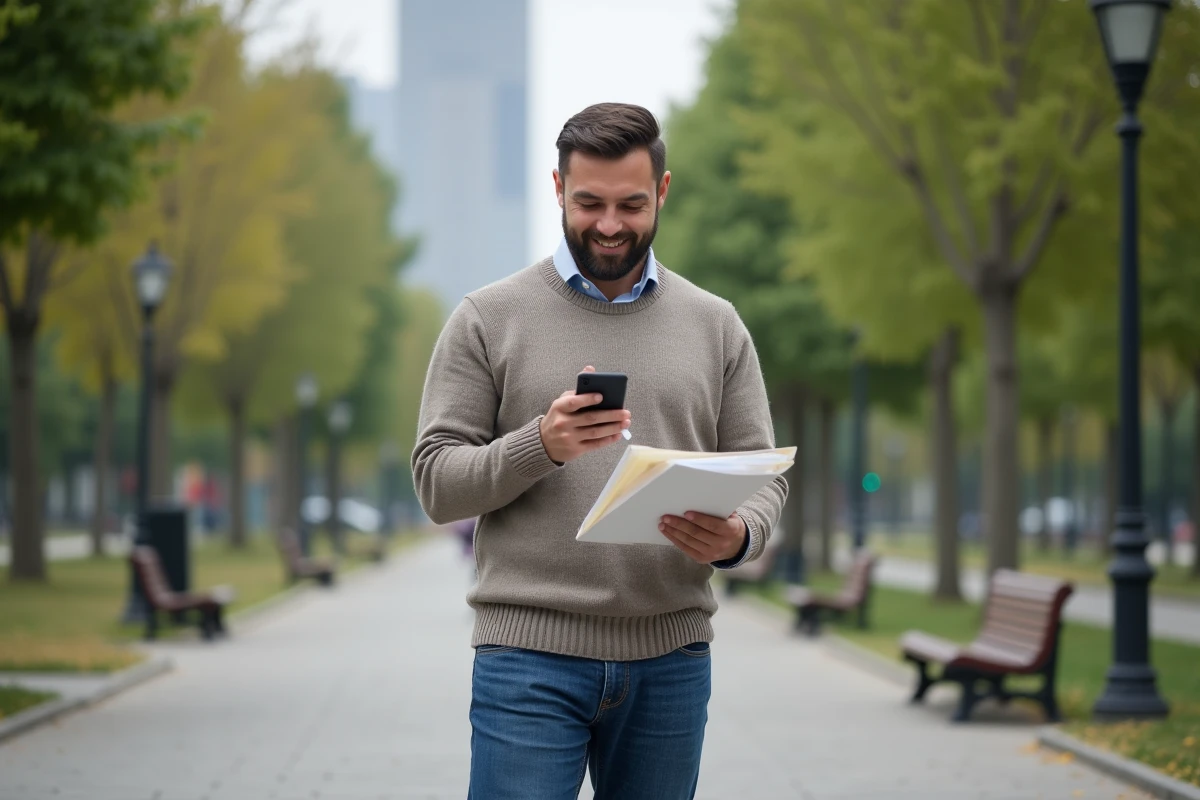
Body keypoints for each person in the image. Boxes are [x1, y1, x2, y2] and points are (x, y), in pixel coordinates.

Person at [411, 102, 787, 800]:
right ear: (558, 189)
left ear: (662, 192)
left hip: (671, 658)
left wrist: (739, 536)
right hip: (528, 655)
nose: (610, 225)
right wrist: (540, 444)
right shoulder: (487, 318)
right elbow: (437, 483)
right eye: (589, 203)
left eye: (631, 205)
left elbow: (762, 471)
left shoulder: (716, 325)